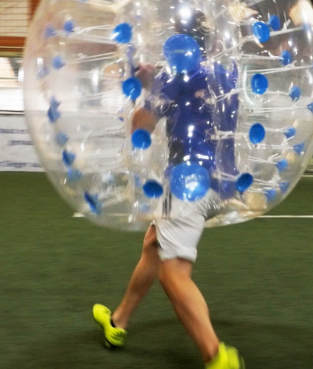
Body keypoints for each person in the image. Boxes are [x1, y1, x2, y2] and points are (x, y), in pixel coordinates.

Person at [92, 33, 245, 369]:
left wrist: (145, 88)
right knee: (153, 244)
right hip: (223, 182)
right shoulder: (225, 71)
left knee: (173, 274)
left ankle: (217, 357)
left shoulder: (175, 76)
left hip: (187, 184)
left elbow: (141, 127)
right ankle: (118, 321)